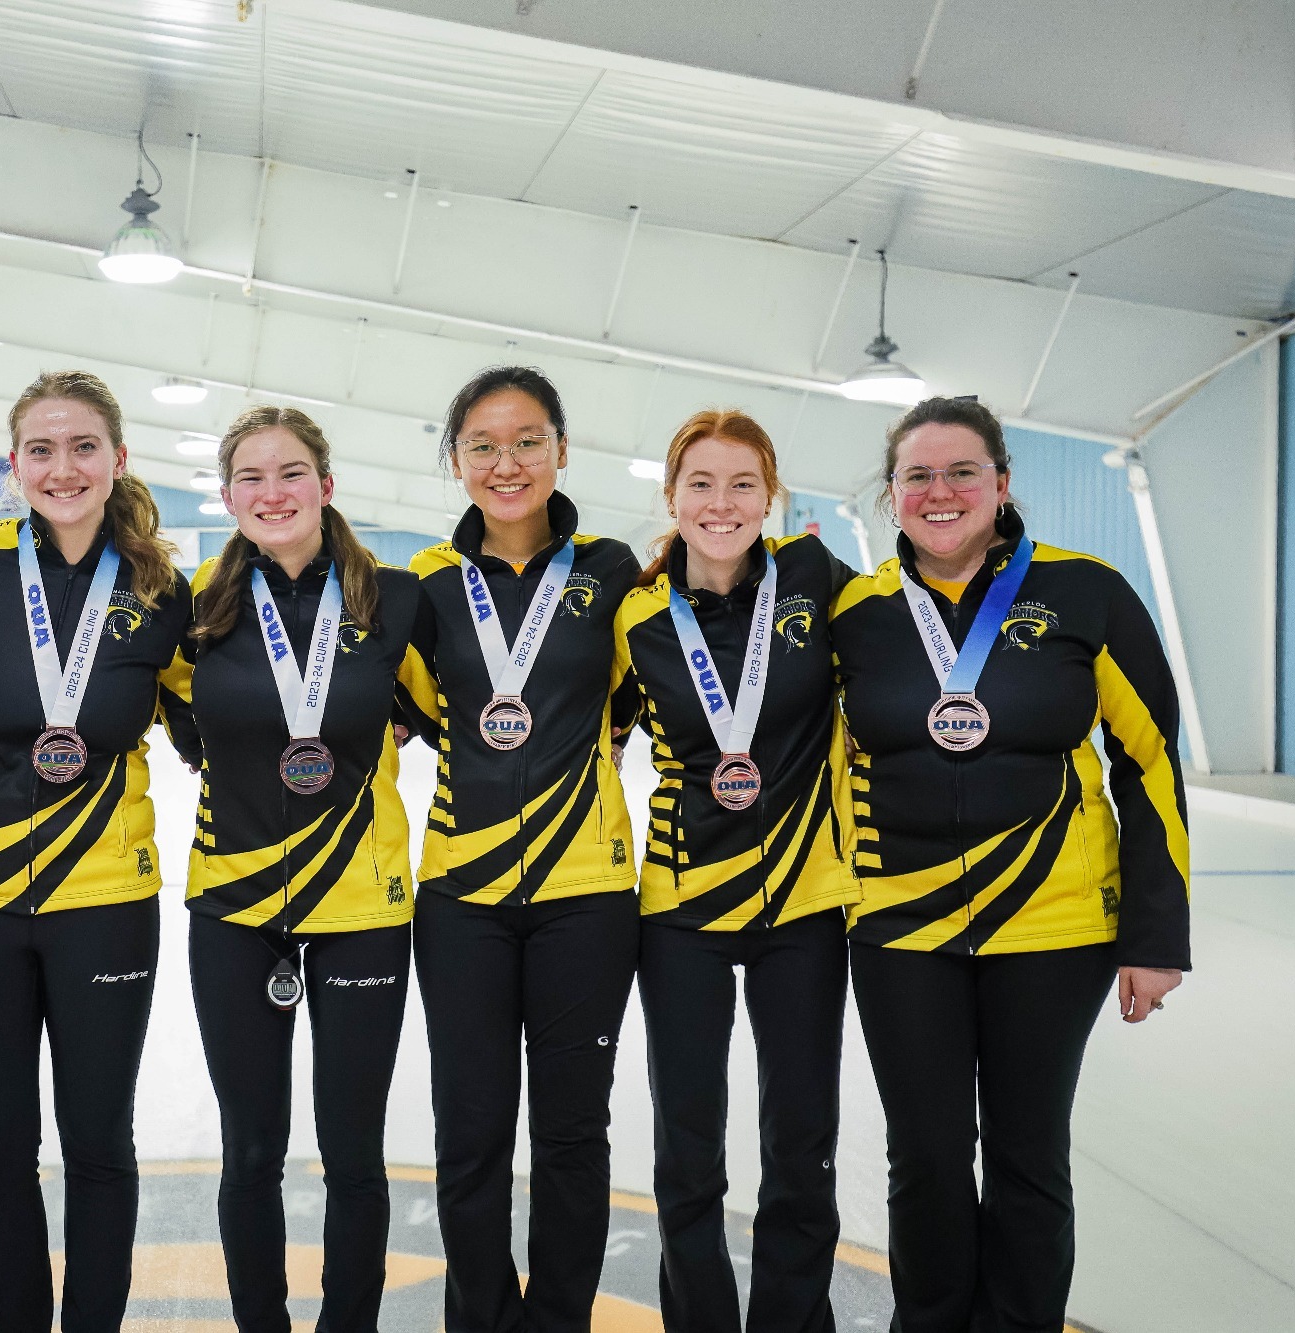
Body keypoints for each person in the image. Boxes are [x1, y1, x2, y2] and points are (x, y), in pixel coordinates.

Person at [829, 395, 1189, 1333]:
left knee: (1031, 1157)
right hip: (903, 928)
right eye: (917, 475)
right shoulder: (856, 614)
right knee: (929, 1156)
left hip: (1054, 925)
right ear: (891, 493)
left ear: (1001, 483)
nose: (939, 492)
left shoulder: (1088, 592)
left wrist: (1155, 935)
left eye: (961, 472)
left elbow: (1149, 760)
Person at [0, 370, 193, 1333]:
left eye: (84, 447)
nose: (63, 467)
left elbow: (214, 722)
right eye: (42, 448)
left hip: (107, 904)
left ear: (118, 460)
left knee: (98, 1147)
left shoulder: (162, 590)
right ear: (14, 463)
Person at [158, 406, 428, 1333]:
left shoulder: (397, 597)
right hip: (234, 903)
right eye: (251, 478)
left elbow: (452, 706)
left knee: (353, 1151)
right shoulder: (195, 606)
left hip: (364, 901)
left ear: (326, 483)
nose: (272, 493)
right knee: (251, 1150)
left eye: (291, 473)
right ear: (228, 495)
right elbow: (176, 721)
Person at [403, 365, 641, 1333]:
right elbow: (413, 706)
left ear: (560, 449)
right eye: (483, 445)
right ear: (455, 459)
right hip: (461, 896)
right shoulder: (422, 584)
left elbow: (635, 696)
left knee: (572, 1135)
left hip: (585, 895)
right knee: (468, 1135)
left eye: (527, 440)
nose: (506, 464)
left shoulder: (613, 570)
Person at [612, 409, 858, 1333]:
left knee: (802, 1146)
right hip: (681, 910)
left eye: (742, 484)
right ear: (671, 496)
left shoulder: (815, 581)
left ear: (773, 495)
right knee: (689, 1149)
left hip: (804, 906)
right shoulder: (635, 616)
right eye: (702, 485)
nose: (722, 504)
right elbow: (584, 729)